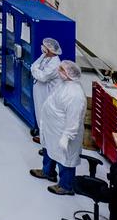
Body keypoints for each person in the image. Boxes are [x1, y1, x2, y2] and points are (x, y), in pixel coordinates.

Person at [30, 60, 86, 195]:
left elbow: (74, 120)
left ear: (69, 74)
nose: (58, 71)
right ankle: (47, 172)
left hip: (62, 132)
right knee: (49, 149)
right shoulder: (63, 84)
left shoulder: (75, 95)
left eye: (61, 70)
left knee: (65, 158)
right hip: (52, 129)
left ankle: (66, 186)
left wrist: (66, 137)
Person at [29, 38, 63, 141]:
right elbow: (34, 66)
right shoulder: (45, 56)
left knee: (45, 116)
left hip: (47, 94)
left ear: (50, 49)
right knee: (39, 114)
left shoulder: (55, 64)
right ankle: (43, 137)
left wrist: (35, 70)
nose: (42, 47)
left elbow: (42, 77)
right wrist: (35, 70)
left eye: (45, 46)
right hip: (40, 91)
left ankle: (46, 141)